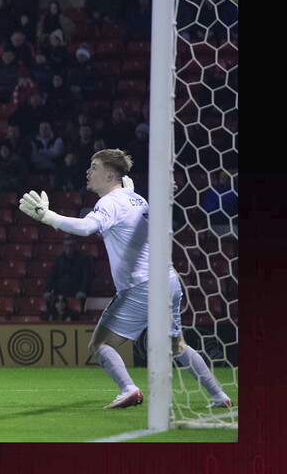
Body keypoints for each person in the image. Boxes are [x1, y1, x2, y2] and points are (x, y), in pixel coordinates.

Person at [18, 148, 233, 409]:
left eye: (94, 167)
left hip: (141, 285)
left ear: (110, 176)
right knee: (176, 346)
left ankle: (128, 389)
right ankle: (218, 395)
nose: (88, 172)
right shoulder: (136, 199)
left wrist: (48, 216)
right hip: (169, 280)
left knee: (100, 344)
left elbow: (87, 228)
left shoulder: (111, 202)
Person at [43, 235, 93, 313]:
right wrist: (48, 290)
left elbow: (87, 276)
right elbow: (51, 275)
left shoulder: (83, 259)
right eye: (67, 246)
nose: (69, 248)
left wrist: (82, 290)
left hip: (76, 292)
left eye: (71, 246)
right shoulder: (59, 259)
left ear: (75, 246)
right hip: (61, 293)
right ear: (63, 246)